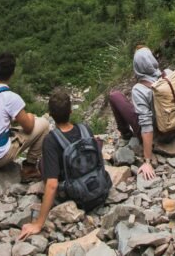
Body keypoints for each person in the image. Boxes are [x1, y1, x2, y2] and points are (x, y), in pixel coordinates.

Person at [18, 88, 109, 241]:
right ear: (71, 111)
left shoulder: (51, 140)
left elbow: (52, 184)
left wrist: (39, 223)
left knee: (43, 163)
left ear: (51, 115)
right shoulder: (85, 129)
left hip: (79, 198)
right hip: (100, 190)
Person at [108, 46, 175, 180]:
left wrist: (147, 161)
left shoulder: (139, 89)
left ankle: (126, 134)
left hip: (159, 135)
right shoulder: (169, 75)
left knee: (115, 96)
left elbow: (147, 125)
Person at [0, 52, 49, 180]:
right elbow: (29, 128)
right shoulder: (11, 98)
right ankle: (29, 168)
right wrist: (29, 115)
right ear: (13, 72)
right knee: (44, 124)